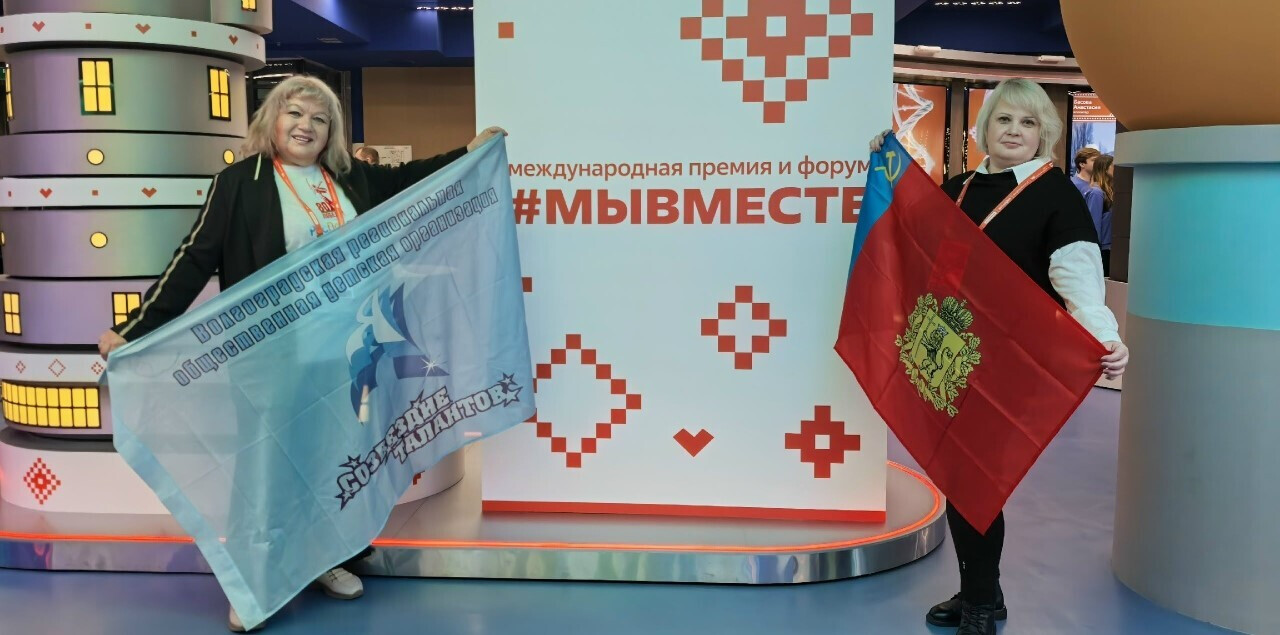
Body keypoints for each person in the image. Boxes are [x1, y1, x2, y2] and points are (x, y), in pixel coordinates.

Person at [96, 75, 507, 632]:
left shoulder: (351, 176)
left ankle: (327, 558)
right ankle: (255, 580)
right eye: (294, 113)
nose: (305, 126)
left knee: (335, 458)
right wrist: (136, 328)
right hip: (271, 358)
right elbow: (194, 258)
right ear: (272, 120)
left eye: (319, 118)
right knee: (266, 468)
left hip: (348, 354)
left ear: (331, 131)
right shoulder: (240, 183)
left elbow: (412, 179)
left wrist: (469, 153)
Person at [871, 78, 1128, 635]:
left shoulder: (1054, 194)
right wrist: (887, 170)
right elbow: (911, 241)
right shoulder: (960, 187)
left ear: (1045, 134)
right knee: (960, 476)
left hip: (1008, 365)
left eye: (1028, 122)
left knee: (976, 480)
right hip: (950, 357)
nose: (1014, 131)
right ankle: (980, 593)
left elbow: (1078, 274)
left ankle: (981, 605)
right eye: (1004, 120)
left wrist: (1104, 336)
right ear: (985, 128)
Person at [1090, 154, 1116, 277]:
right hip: (1102, 249)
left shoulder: (1111, 191)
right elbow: (1094, 224)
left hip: (1111, 247)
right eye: (1113, 166)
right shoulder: (1096, 193)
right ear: (1105, 168)